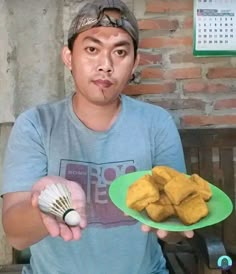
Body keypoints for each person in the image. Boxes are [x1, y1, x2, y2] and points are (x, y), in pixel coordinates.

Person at [1, 0, 194, 273]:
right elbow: (16, 234)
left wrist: (172, 225)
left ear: (135, 62)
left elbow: (176, 226)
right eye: (92, 49)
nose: (105, 65)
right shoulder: (35, 125)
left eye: (120, 52)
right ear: (68, 56)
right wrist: (44, 208)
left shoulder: (157, 123)